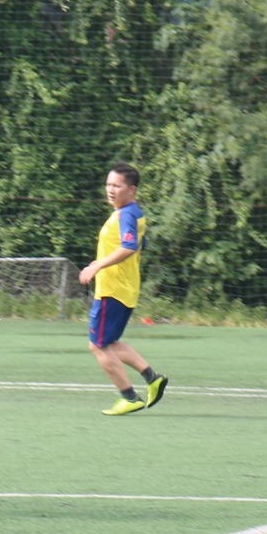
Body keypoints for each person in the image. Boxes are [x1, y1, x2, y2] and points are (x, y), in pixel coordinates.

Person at [80, 163, 169, 416]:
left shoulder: (126, 215)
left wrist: (98, 266)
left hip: (113, 290)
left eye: (117, 186)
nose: (110, 190)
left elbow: (129, 247)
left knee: (97, 346)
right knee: (110, 342)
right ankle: (153, 378)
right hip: (124, 288)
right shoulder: (133, 213)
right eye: (108, 184)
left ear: (131, 190)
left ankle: (129, 397)